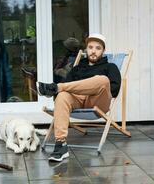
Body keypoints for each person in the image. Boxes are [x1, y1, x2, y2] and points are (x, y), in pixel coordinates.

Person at [37, 33, 121, 162]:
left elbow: (114, 91)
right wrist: (64, 91)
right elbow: (65, 90)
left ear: (103, 51)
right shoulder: (77, 69)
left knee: (103, 80)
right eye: (91, 47)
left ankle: (55, 87)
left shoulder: (110, 67)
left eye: (98, 48)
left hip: (98, 102)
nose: (93, 51)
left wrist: (93, 84)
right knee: (62, 95)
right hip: (77, 101)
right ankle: (61, 145)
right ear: (86, 49)